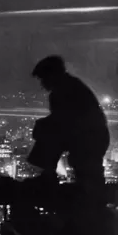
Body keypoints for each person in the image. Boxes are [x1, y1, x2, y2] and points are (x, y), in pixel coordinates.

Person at [29, 55, 110, 201]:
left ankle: (49, 176)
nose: (42, 83)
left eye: (43, 78)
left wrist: (41, 127)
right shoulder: (72, 85)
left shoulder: (63, 91)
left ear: (52, 75)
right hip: (93, 138)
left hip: (88, 140)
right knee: (89, 177)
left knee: (47, 130)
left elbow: (61, 122)